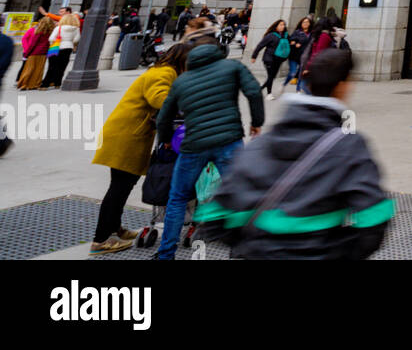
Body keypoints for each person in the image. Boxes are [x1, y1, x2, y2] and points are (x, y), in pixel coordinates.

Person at [196, 48, 394, 259]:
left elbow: (215, 219)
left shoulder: (260, 144)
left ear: (307, 83)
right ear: (342, 87)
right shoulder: (349, 146)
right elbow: (374, 219)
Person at [153, 19, 265, 260]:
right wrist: (257, 123)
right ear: (217, 49)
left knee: (178, 198)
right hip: (229, 140)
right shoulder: (232, 68)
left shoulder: (182, 80)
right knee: (238, 194)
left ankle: (166, 254)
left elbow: (164, 117)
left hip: (193, 144)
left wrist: (164, 139)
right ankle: (240, 250)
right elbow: (254, 92)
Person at [89, 42, 189, 254]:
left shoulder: (164, 71)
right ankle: (101, 240)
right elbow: (159, 98)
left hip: (131, 133)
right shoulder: (164, 73)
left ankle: (114, 228)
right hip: (128, 135)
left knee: (123, 186)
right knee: (118, 188)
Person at [249, 19, 291, 101]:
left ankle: (259, 89)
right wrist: (254, 56)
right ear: (276, 26)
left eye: (283, 25)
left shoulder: (286, 35)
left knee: (272, 77)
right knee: (271, 76)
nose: (282, 26)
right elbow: (260, 46)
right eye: (280, 25)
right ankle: (269, 94)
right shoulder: (271, 35)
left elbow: (290, 43)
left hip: (279, 60)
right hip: (269, 59)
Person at [40, 11, 81, 89]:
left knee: (51, 66)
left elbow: (51, 38)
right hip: (68, 48)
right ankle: (57, 83)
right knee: (62, 66)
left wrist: (54, 43)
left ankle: (45, 84)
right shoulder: (76, 29)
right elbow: (76, 40)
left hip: (55, 47)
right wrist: (69, 41)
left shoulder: (58, 28)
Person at [16, 15, 56, 90]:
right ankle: (35, 84)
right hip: (44, 53)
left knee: (29, 69)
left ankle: (24, 84)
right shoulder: (51, 32)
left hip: (34, 53)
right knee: (39, 70)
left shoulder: (38, 32)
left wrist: (26, 53)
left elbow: (32, 44)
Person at [287, 16, 313, 93]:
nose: (305, 24)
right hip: (296, 55)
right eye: (304, 22)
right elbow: (291, 40)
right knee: (294, 72)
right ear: (301, 23)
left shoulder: (312, 33)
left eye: (307, 22)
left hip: (306, 56)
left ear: (310, 24)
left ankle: (298, 90)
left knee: (301, 73)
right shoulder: (297, 32)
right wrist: (295, 43)